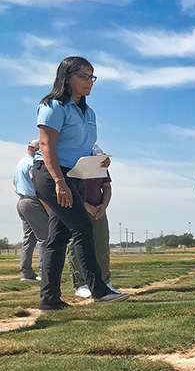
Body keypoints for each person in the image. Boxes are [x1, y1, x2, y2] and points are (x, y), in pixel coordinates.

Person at [32, 56, 129, 310]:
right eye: (84, 76)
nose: (89, 82)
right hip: (52, 174)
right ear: (67, 77)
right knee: (83, 228)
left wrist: (99, 162)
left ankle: (49, 300)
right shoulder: (54, 106)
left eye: (92, 77)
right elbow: (46, 145)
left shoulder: (89, 112)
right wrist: (59, 182)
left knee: (58, 238)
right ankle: (99, 290)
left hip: (76, 174)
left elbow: (80, 147)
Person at [68, 145, 115, 298]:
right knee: (76, 247)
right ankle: (81, 284)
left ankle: (104, 282)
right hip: (78, 209)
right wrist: (88, 207)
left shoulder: (102, 168)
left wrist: (103, 206)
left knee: (101, 245)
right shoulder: (75, 166)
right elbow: (73, 190)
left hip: (99, 210)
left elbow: (106, 187)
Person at [12, 139, 48, 281]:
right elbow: (37, 182)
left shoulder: (21, 162)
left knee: (29, 239)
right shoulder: (32, 163)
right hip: (33, 202)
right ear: (36, 150)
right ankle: (44, 273)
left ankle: (26, 273)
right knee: (45, 238)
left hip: (21, 200)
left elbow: (14, 182)